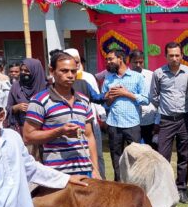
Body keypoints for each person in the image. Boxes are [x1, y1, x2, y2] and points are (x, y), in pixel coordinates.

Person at [23, 51, 102, 207]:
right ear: (52, 72)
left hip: (83, 170)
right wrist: (58, 131)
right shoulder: (40, 101)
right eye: (64, 71)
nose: (69, 75)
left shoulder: (83, 100)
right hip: (56, 173)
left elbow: (90, 136)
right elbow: (28, 136)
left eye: (72, 70)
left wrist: (95, 168)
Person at [152, 42, 188, 203]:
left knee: (184, 156)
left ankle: (181, 189)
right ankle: (163, 190)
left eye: (177, 55)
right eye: (171, 55)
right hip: (166, 120)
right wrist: (165, 108)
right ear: (166, 56)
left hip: (185, 119)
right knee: (163, 157)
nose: (174, 58)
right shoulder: (158, 73)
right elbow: (154, 96)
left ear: (182, 55)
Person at [102, 49, 148, 181]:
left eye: (111, 59)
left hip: (132, 124)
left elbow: (145, 99)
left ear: (120, 59)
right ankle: (119, 186)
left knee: (136, 157)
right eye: (107, 59)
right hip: (113, 123)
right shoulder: (108, 79)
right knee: (116, 157)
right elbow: (104, 103)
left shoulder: (137, 77)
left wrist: (126, 93)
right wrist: (110, 97)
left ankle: (138, 185)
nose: (108, 62)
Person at [63, 48, 107, 179]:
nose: (71, 71)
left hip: (90, 122)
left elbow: (96, 97)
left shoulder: (86, 79)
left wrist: (106, 99)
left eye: (76, 62)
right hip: (68, 125)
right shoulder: (57, 82)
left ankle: (100, 179)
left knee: (96, 154)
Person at [5, 58, 48, 135]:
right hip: (23, 130)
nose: (23, 73)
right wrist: (17, 107)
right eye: (21, 70)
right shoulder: (16, 86)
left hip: (44, 130)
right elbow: (8, 107)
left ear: (35, 71)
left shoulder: (47, 87)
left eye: (27, 71)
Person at [129, 49, 158, 151]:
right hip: (132, 120)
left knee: (152, 149)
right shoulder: (126, 77)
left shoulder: (152, 75)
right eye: (135, 62)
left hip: (150, 118)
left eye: (140, 62)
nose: (138, 65)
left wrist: (157, 120)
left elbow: (157, 96)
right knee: (135, 150)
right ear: (130, 62)